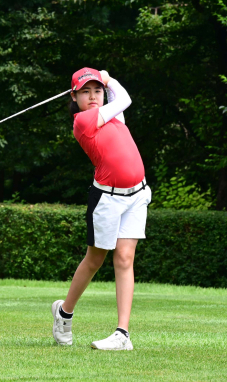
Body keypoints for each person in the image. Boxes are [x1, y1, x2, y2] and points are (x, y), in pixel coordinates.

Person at [52, 68, 151, 350]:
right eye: (86, 91)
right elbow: (125, 99)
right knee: (95, 260)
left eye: (97, 90)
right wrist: (108, 80)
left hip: (137, 195)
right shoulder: (83, 121)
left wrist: (108, 84)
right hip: (107, 198)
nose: (93, 96)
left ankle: (122, 334)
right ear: (75, 96)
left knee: (125, 258)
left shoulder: (111, 113)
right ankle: (64, 313)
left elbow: (118, 100)